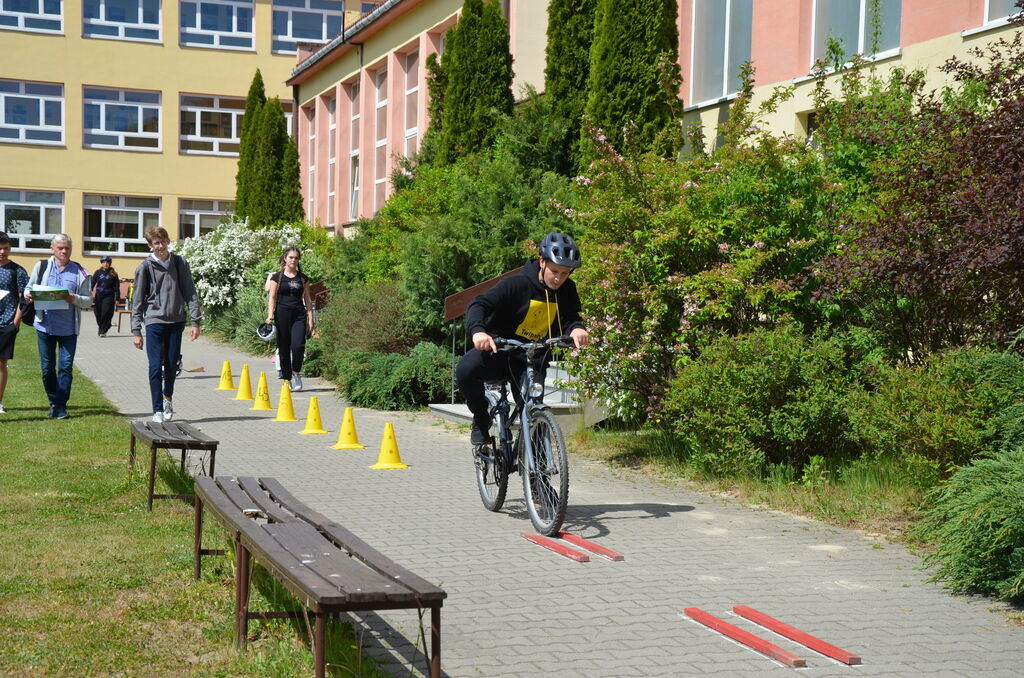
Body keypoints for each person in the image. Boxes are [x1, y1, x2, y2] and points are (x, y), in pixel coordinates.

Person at [456, 232, 590, 445]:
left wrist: (576, 329)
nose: (558, 278)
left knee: (533, 413)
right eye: (554, 271)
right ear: (541, 262)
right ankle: (481, 419)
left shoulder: (567, 290)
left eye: (565, 273)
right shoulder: (516, 284)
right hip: (499, 351)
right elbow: (478, 304)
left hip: (531, 359)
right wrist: (478, 331)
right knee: (465, 369)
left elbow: (571, 318)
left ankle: (539, 474)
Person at [131, 226, 202, 422]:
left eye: (162, 241)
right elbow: (137, 301)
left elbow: (190, 292)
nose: (160, 246)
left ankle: (167, 398)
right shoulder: (144, 268)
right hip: (154, 321)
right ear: (150, 245)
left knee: (171, 365)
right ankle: (157, 410)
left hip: (176, 321)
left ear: (168, 241)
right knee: (155, 366)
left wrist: (195, 321)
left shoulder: (179, 263)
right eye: (156, 243)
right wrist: (136, 330)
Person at [24, 234, 93, 419]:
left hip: (68, 329)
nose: (64, 251)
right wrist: (28, 295)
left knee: (65, 368)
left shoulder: (79, 272)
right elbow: (28, 288)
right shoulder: (42, 266)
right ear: (53, 249)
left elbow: (88, 301)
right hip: (45, 327)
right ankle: (54, 401)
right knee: (47, 368)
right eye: (60, 248)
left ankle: (60, 406)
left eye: (67, 248)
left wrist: (73, 298)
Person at [265, 246, 314, 391]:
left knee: (298, 346)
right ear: (285, 259)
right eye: (291, 257)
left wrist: (311, 318)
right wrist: (270, 316)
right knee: (284, 347)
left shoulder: (303, 278)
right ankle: (286, 378)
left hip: (299, 314)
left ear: (298, 260)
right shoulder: (277, 277)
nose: (293, 260)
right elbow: (272, 297)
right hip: (282, 314)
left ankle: (296, 372)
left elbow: (308, 299)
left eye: (296, 258)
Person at [0, 232, 29, 415]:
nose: (2, 252)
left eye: (6, 248)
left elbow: (25, 299)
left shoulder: (17, 271)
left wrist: (15, 323)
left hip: (6, 323)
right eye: (0, 248)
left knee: (1, 364)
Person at [90, 255, 119, 337]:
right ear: (101, 263)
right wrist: (88, 294)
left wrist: (117, 298)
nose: (105, 264)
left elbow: (117, 287)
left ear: (110, 263)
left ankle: (102, 331)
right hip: (99, 295)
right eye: (104, 262)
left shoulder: (113, 274)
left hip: (109, 296)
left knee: (105, 313)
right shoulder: (97, 273)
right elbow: (92, 284)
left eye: (107, 262)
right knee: (97, 313)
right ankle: (106, 325)